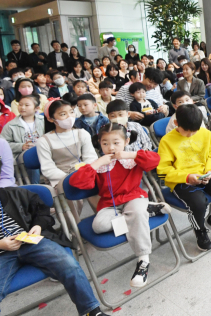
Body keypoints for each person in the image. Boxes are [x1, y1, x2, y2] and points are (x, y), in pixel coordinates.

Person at [69, 123, 168, 288]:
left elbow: (155, 160)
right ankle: (147, 211)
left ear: (126, 141)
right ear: (99, 144)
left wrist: (129, 154)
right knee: (99, 225)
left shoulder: (132, 159)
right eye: (105, 143)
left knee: (135, 212)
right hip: (110, 205)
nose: (110, 147)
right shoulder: (98, 163)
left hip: (133, 197)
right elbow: (76, 182)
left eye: (116, 142)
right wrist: (97, 163)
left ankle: (143, 260)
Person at [0, 185, 115, 316]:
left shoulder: (15, 194)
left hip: (31, 241)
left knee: (68, 265)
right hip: (2, 253)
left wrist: (38, 225)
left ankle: (93, 312)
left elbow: (41, 210)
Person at [157, 104, 211, 249]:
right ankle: (200, 230)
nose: (190, 135)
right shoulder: (167, 141)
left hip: (204, 173)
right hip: (180, 180)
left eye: (194, 132)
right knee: (199, 203)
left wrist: (210, 172)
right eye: (186, 132)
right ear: (176, 123)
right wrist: (187, 177)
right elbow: (163, 171)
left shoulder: (205, 133)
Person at [37, 99, 98, 187]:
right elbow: (48, 169)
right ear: (51, 119)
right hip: (61, 180)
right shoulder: (44, 141)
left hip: (84, 174)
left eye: (71, 112)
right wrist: (71, 178)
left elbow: (91, 157)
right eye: (63, 114)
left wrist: (83, 174)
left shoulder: (82, 133)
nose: (69, 117)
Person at [2, 94, 43, 184]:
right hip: (21, 156)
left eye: (26, 105)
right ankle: (34, 187)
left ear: (36, 108)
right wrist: (21, 146)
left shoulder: (43, 121)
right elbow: (3, 145)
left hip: (43, 152)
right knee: (32, 159)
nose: (22, 107)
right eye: (20, 104)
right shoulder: (11, 125)